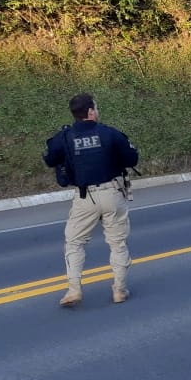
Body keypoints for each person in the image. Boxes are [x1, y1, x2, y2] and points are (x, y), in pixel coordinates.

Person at [43, 93, 140, 307]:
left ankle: (74, 290)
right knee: (117, 243)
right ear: (90, 111)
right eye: (95, 108)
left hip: (84, 197)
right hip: (113, 192)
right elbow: (132, 158)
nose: (97, 111)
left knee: (74, 242)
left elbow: (50, 159)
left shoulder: (64, 137)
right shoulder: (110, 133)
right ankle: (119, 290)